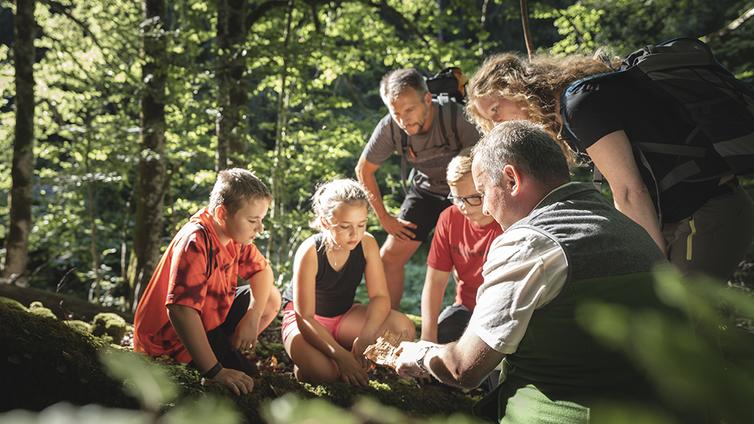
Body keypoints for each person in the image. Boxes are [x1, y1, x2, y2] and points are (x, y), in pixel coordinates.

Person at [392, 121, 668, 423]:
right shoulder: (630, 229)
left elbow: (464, 368)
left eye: (483, 192)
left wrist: (419, 355)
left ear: (511, 180)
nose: (484, 209)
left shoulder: (528, 243)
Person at [465, 52, 754, 282]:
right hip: (684, 216)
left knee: (678, 323)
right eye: (488, 122)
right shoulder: (574, 109)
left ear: (517, 89)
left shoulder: (580, 105)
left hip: (708, 212)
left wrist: (647, 269)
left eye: (496, 110)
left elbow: (629, 191)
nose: (497, 125)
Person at [133, 168, 281, 396]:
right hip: (170, 341)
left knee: (269, 297)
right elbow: (180, 311)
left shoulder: (234, 237)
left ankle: (228, 350)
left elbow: (263, 272)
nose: (259, 228)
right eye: (253, 220)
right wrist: (215, 372)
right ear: (222, 214)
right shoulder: (195, 240)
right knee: (248, 389)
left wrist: (252, 316)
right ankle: (210, 363)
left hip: (209, 320)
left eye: (261, 220)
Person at [356, 68, 481, 309]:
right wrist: (384, 217)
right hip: (426, 191)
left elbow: (486, 163)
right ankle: (387, 323)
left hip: (466, 192)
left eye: (409, 110)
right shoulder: (390, 128)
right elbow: (364, 170)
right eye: (396, 113)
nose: (403, 120)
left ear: (427, 99)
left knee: (466, 261)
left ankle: (465, 317)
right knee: (388, 258)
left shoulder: (456, 116)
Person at [281, 179, 416, 386]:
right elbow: (305, 318)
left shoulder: (367, 243)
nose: (355, 234)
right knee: (329, 374)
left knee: (403, 328)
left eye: (361, 225)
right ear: (325, 223)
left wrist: (366, 336)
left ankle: (345, 350)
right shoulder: (310, 251)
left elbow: (380, 297)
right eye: (345, 227)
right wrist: (342, 358)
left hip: (344, 316)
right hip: (306, 323)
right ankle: (312, 363)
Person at [421, 148, 502, 344]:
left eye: (473, 197)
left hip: (503, 311)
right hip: (467, 309)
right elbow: (435, 283)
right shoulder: (449, 218)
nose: (463, 206)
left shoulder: (508, 221)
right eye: (457, 198)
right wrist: (427, 338)